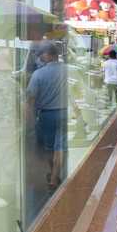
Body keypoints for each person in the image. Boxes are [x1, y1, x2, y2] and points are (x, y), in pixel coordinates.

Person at [26, 41, 68, 191]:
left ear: (48, 55)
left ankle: (53, 176)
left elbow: (30, 98)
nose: (39, 58)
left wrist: (29, 119)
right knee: (60, 146)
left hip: (47, 115)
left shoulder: (38, 74)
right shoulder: (67, 70)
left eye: (41, 55)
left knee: (50, 148)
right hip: (64, 112)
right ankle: (55, 176)